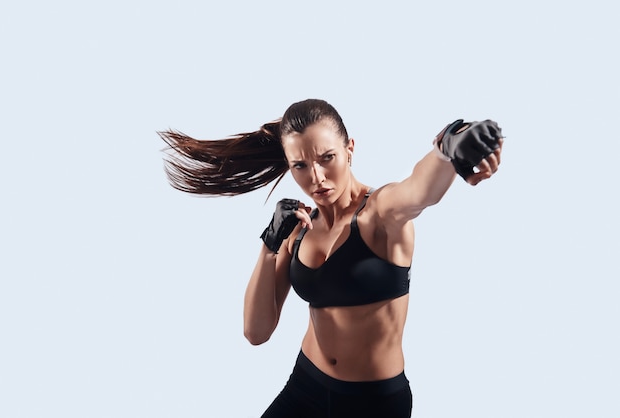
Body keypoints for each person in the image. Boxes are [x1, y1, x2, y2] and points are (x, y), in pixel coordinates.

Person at [159, 99, 504, 417]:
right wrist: (270, 242)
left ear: (349, 149)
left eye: (327, 158)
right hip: (305, 387)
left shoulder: (380, 213)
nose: (317, 177)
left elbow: (417, 191)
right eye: (301, 166)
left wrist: (449, 146)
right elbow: (256, 331)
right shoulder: (299, 229)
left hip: (374, 404)